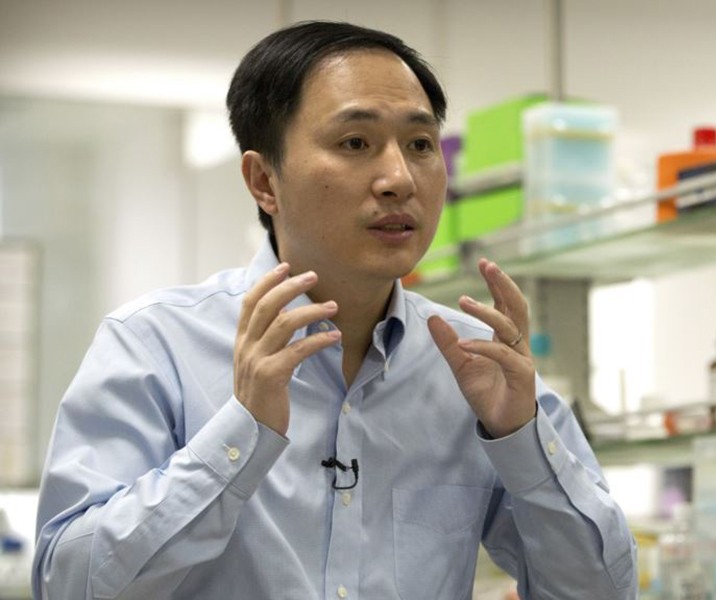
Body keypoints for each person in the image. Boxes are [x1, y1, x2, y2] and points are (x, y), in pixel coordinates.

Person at [32, 20, 637, 599]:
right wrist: (240, 435)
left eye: (421, 144)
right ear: (264, 180)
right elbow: (70, 585)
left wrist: (521, 438)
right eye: (356, 143)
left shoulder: (477, 363)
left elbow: (602, 593)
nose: (399, 177)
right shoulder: (155, 345)